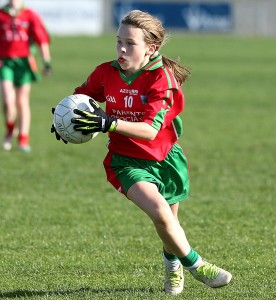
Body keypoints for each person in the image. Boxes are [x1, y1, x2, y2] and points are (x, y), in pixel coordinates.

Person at [51, 10, 232, 296]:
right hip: (125, 161)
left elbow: (150, 131)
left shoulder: (161, 79)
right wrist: (64, 120)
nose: (122, 49)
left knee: (169, 222)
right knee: (160, 212)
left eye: (130, 43)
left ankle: (172, 267)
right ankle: (198, 267)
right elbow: (81, 98)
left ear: (151, 48)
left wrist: (108, 122)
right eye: (118, 41)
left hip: (166, 158)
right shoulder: (105, 73)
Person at [0, 0, 51, 152]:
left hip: (24, 64)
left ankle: (23, 139)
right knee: (8, 101)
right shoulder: (2, 14)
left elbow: (41, 39)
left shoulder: (29, 14)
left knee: (22, 102)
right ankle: (10, 129)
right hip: (5, 63)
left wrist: (46, 62)